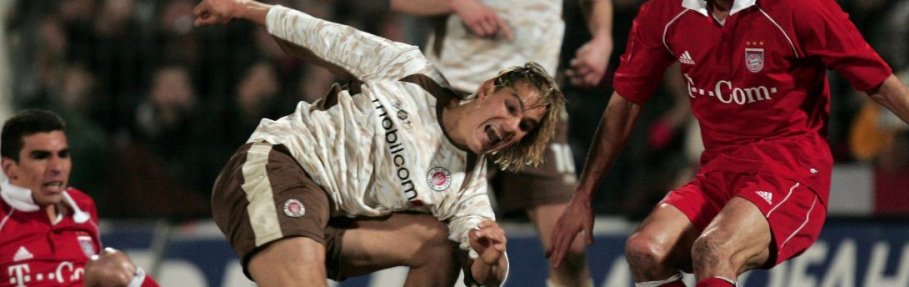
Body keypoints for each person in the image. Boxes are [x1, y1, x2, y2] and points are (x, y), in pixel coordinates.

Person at [546, 0, 909, 286]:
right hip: (718, 171)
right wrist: (583, 195)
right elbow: (625, 103)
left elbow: (883, 85)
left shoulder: (799, 8)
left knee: (713, 250)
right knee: (644, 252)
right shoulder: (665, 12)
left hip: (791, 170)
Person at [192, 0, 566, 286]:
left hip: (332, 221)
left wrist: (491, 258)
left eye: (525, 126)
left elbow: (488, 273)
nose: (512, 126)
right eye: (512, 107)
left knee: (441, 245)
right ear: (487, 90)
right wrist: (241, 7)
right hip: (283, 168)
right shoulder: (409, 70)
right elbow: (318, 35)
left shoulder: (467, 188)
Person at [389, 0, 612, 285]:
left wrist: (602, 38)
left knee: (569, 246)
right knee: (437, 242)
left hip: (535, 115)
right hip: (459, 102)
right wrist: (459, 4)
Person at [0, 109, 159, 287]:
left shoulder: (82, 206)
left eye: (63, 155)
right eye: (41, 156)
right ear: (10, 168)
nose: (56, 167)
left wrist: (134, 280)